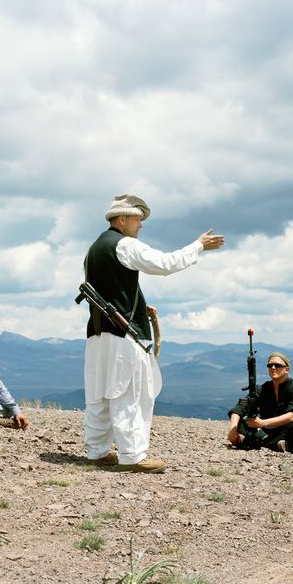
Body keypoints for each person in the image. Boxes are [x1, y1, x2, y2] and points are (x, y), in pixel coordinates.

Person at [82, 194, 225, 473]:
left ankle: (97, 452)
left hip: (99, 334)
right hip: (123, 335)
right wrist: (198, 246)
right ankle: (133, 456)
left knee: (99, 395)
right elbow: (164, 264)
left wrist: (139, 305)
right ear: (122, 220)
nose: (141, 226)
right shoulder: (124, 244)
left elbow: (111, 289)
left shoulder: (94, 249)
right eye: (138, 219)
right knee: (131, 393)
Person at [227, 352, 293, 453]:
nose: (273, 368)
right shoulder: (263, 388)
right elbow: (240, 407)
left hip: (285, 428)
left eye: (277, 365)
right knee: (242, 421)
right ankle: (274, 444)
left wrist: (262, 423)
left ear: (286, 370)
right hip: (268, 430)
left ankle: (258, 442)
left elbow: (292, 415)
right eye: (270, 365)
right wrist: (232, 430)